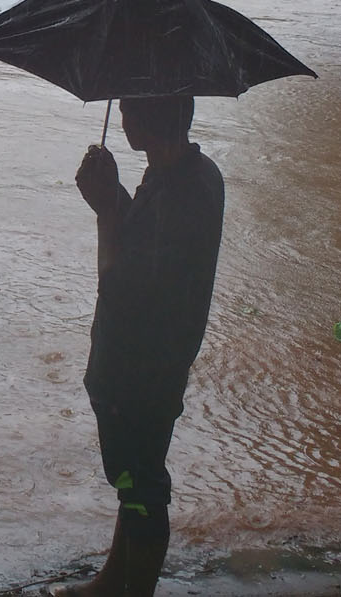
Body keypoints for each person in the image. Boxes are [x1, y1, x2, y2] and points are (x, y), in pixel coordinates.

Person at [53, 95, 226, 597]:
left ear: (149, 119)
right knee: (134, 477)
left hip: (139, 367)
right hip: (151, 361)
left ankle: (136, 591)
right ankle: (114, 580)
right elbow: (148, 249)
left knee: (139, 484)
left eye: (129, 107)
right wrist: (119, 197)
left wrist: (106, 208)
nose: (122, 116)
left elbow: (120, 280)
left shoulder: (181, 192)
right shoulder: (184, 175)